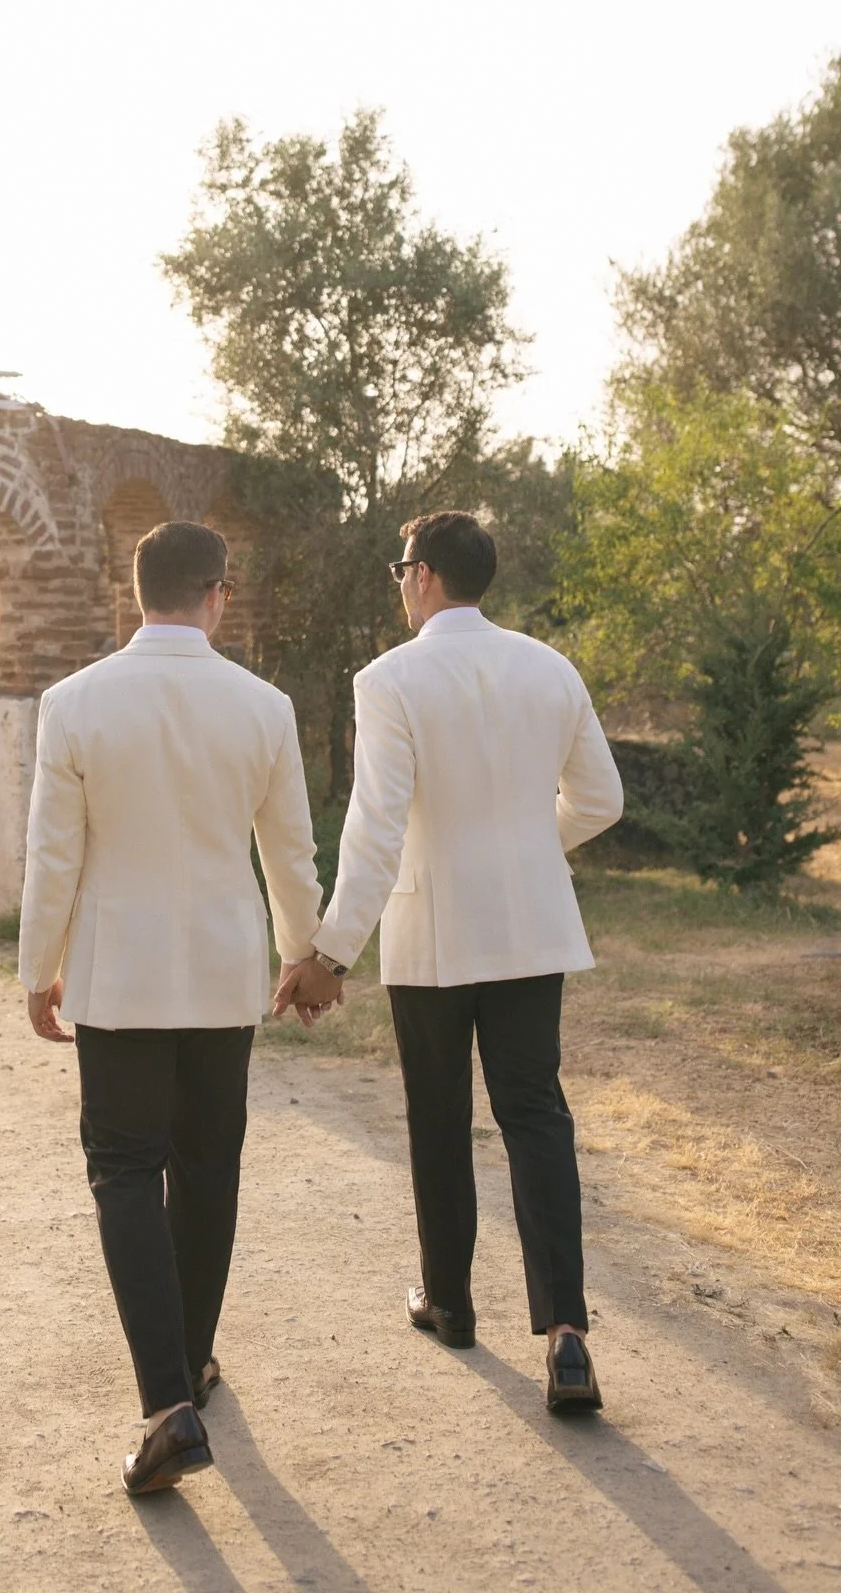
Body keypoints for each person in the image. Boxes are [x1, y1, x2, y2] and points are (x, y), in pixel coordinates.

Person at [275, 511, 623, 1412]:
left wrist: (331, 951)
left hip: (433, 934)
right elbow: (601, 800)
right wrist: (525, 852)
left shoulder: (391, 679)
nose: (401, 584)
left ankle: (452, 1303)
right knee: (536, 1116)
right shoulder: (551, 668)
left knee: (438, 1117)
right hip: (531, 926)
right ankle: (568, 1335)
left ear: (423, 575)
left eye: (402, 570)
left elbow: (376, 828)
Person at [20, 520, 325, 1494]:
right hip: (224, 975)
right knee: (206, 1166)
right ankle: (187, 1366)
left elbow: (53, 855)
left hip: (118, 976)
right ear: (217, 594)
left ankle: (168, 1405)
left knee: (123, 1171)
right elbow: (289, 851)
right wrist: (304, 955)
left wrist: (38, 969)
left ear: (134, 593)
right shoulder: (264, 706)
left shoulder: (74, 703)